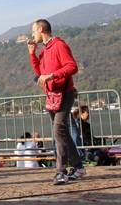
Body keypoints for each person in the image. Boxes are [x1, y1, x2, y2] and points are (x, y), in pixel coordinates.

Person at [27, 19, 85, 185]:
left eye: (33, 31)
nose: (33, 35)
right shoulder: (44, 50)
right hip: (52, 95)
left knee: (59, 129)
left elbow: (72, 67)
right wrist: (32, 54)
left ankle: (61, 171)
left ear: (41, 29)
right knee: (62, 132)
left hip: (64, 93)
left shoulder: (59, 45)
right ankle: (78, 167)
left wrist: (52, 76)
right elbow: (40, 73)